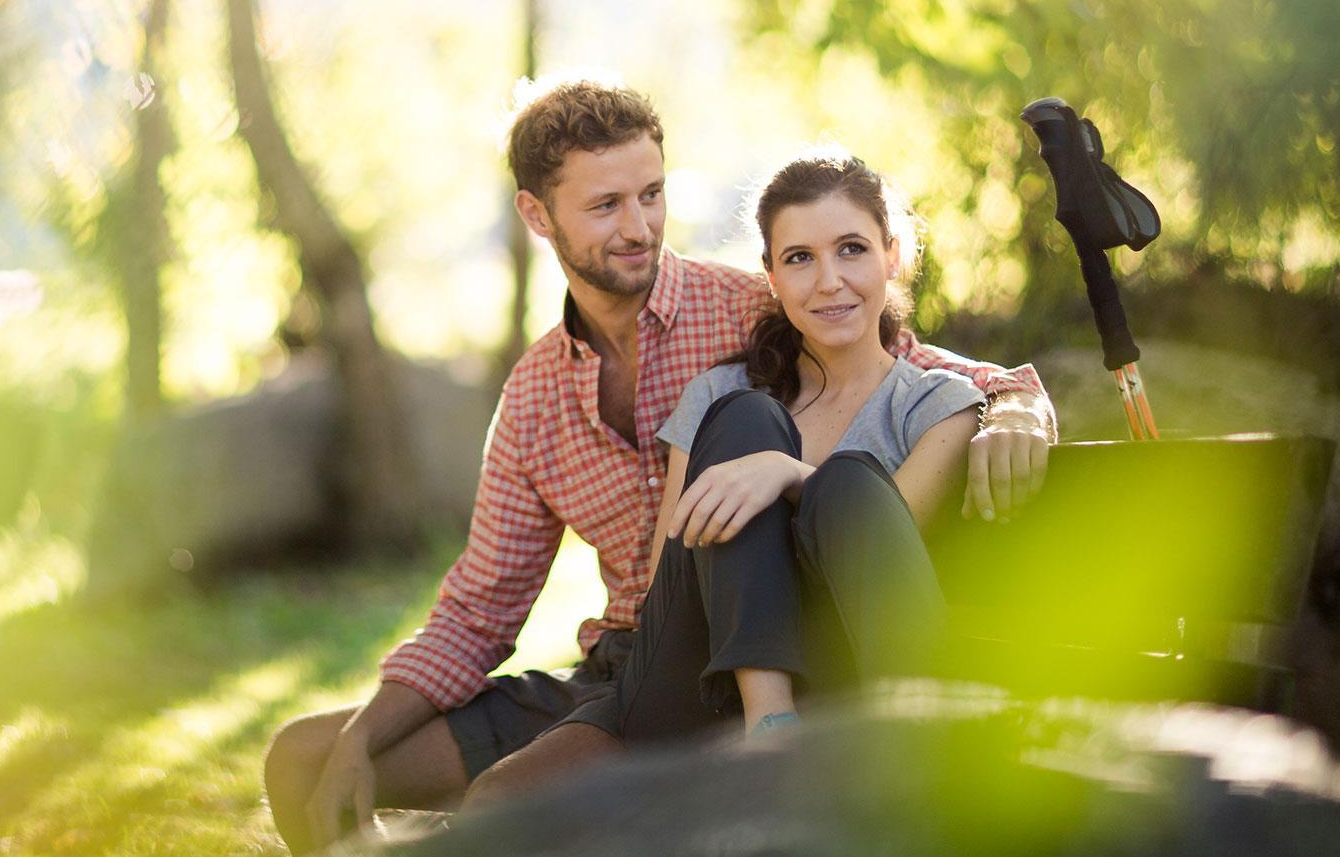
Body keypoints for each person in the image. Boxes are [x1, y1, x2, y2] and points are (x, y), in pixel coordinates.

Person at [261, 77, 1055, 853]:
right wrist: (364, 734)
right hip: (632, 662)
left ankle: (774, 740)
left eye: (651, 193)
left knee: (512, 800)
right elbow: (481, 605)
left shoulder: (754, 305)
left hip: (772, 645)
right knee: (308, 759)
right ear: (537, 215)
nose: (639, 226)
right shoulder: (542, 394)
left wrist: (1018, 401)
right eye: (606, 205)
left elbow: (898, 360)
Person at [464, 148, 987, 805]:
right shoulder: (718, 390)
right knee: (744, 414)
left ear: (892, 255)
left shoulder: (940, 404)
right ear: (769, 276)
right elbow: (671, 574)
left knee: (853, 479)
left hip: (837, 673)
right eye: (799, 258)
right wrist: (763, 462)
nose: (828, 281)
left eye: (851, 249)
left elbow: (884, 548)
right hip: (691, 681)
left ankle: (906, 754)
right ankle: (770, 724)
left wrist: (788, 473)